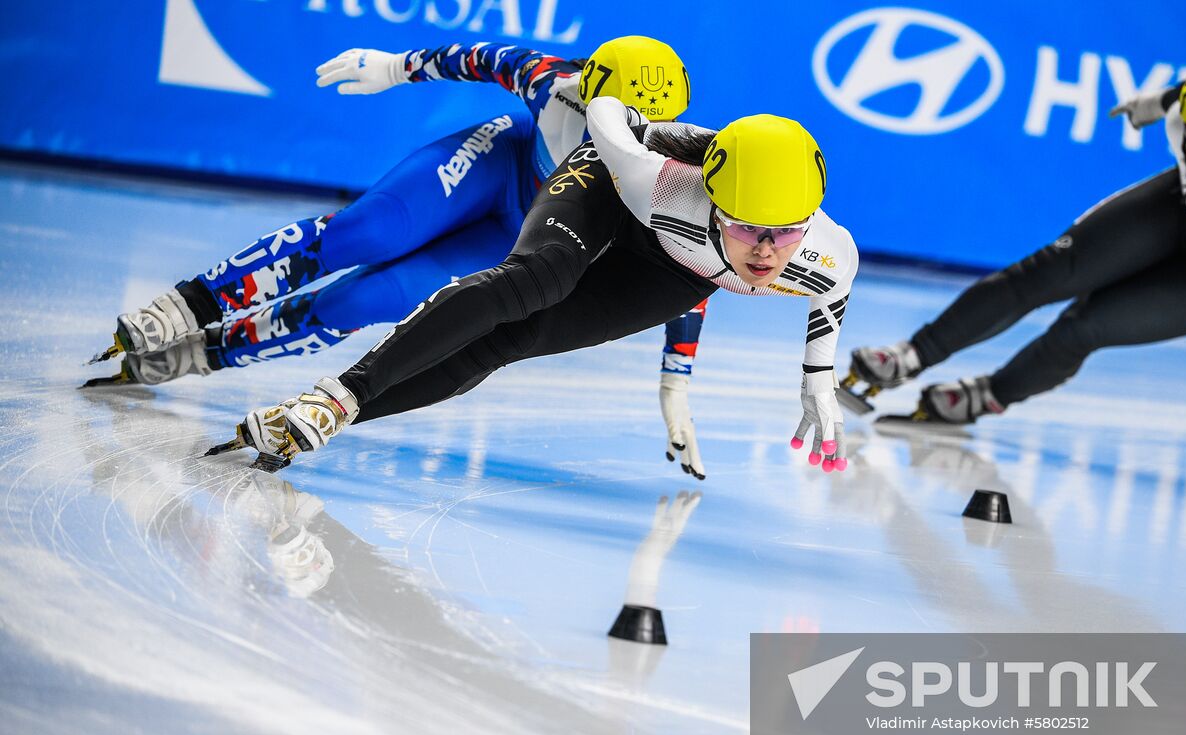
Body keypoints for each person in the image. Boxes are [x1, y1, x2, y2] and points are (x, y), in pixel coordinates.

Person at [86, 36, 713, 478]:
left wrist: (675, 379)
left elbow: (684, 259)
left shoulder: (665, 163)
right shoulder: (553, 82)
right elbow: (481, 58)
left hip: (525, 229)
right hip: (500, 168)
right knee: (369, 231)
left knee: (366, 301)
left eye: (648, 132)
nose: (630, 143)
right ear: (587, 93)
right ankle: (190, 304)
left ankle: (206, 353)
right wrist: (396, 68)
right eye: (619, 123)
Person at [206, 96, 858, 476]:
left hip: (672, 265)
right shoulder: (652, 179)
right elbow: (605, 112)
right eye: (747, 227)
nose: (767, 251)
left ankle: (314, 421)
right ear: (716, 205)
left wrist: (817, 376)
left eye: (786, 232)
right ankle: (339, 392)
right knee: (535, 283)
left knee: (510, 342)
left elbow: (826, 296)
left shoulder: (830, 256)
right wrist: (653, 131)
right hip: (608, 187)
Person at [842, 57, 1186, 458]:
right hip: (1181, 209)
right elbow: (1179, 96)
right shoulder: (1184, 113)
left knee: (1086, 325)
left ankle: (988, 395)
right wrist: (1149, 105)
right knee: (1044, 273)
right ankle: (911, 355)